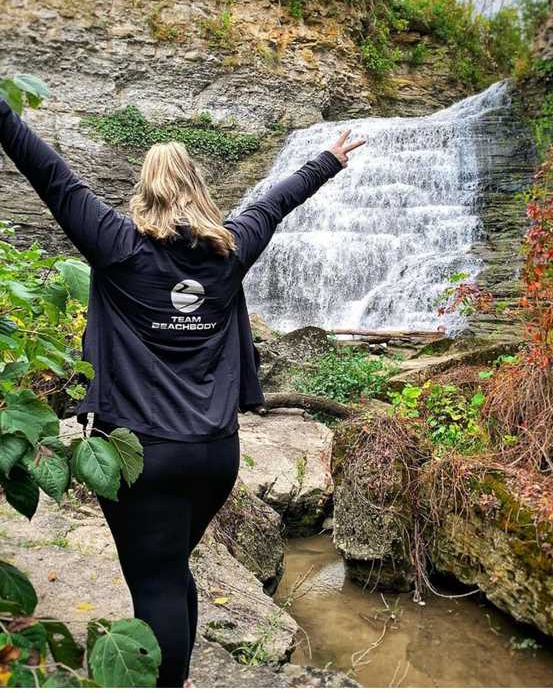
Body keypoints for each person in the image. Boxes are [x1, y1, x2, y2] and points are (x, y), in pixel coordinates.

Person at [0, 98, 364, 686]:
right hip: (215, 453)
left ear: (144, 191)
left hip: (143, 454)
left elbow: (51, 174)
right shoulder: (231, 247)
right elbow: (277, 201)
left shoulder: (117, 244)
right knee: (173, 569)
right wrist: (328, 159)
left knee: (155, 581)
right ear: (198, 187)